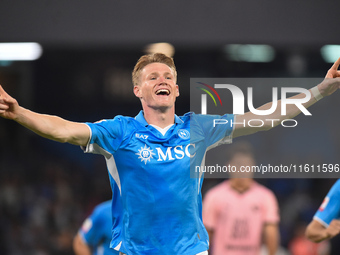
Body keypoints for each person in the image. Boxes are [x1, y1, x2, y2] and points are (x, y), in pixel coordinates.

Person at [0, 53, 339, 255]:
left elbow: (265, 117)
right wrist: (20, 113)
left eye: (168, 76)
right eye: (152, 76)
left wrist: (320, 91)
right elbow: (64, 129)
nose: (161, 79)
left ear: (176, 89)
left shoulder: (199, 128)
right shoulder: (119, 132)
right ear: (138, 89)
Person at [203, 142, 280, 255]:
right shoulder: (214, 196)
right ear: (228, 166)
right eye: (238, 164)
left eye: (246, 164)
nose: (242, 169)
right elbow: (206, 234)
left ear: (253, 165)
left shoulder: (266, 197)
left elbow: (271, 233)